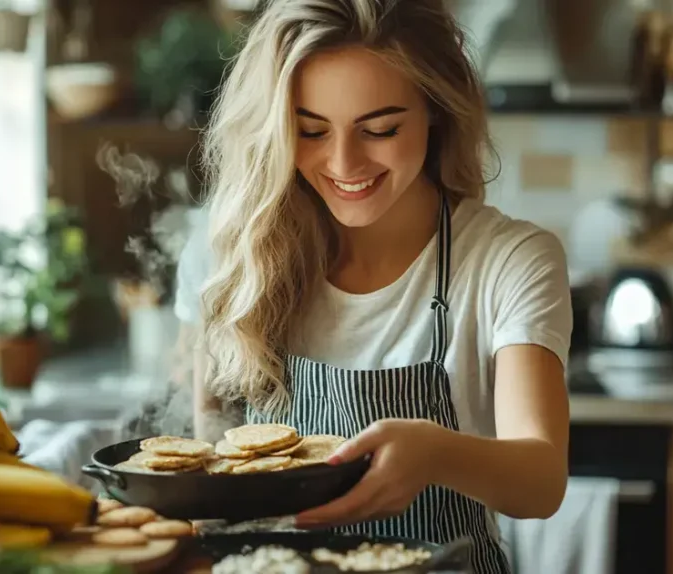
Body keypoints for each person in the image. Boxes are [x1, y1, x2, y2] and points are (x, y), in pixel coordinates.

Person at [173, 1, 573, 573]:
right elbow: (207, 467)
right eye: (310, 130)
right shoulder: (232, 252)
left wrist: (434, 453)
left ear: (436, 109)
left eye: (380, 128)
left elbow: (541, 481)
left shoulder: (507, 261)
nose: (344, 162)